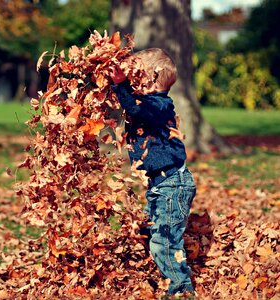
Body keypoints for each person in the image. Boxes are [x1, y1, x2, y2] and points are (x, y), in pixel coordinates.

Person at [112, 48, 197, 296]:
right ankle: (160, 273)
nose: (130, 82)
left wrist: (121, 87)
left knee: (165, 240)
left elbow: (136, 108)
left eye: (135, 77)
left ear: (150, 78)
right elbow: (130, 104)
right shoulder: (147, 103)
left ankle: (181, 287)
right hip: (160, 185)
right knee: (152, 230)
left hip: (173, 185)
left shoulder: (159, 105)